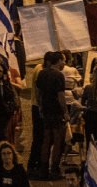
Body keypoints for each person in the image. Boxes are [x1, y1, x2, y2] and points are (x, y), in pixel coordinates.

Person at [34, 51, 69, 179]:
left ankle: (43, 169)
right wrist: (65, 112)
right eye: (63, 60)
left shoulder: (42, 73)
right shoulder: (59, 75)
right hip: (56, 112)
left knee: (46, 140)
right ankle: (54, 169)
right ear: (58, 61)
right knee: (58, 140)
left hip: (46, 111)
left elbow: (38, 93)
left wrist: (41, 107)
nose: (64, 63)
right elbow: (61, 96)